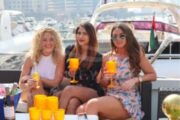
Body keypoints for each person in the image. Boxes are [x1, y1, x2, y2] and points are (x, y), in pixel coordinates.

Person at [77, 23, 157, 120]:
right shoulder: (107, 57)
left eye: (121, 36)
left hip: (127, 99)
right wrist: (105, 79)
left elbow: (153, 75)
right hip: (110, 95)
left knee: (92, 105)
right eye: (114, 37)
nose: (118, 39)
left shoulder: (136, 54)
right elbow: (103, 84)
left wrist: (135, 80)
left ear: (128, 37)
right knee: (80, 110)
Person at [58, 22, 104, 114]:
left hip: (91, 91)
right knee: (73, 102)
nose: (80, 36)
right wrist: (70, 75)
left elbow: (90, 80)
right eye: (78, 33)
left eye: (85, 33)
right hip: (74, 90)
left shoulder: (97, 57)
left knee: (68, 90)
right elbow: (62, 74)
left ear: (91, 36)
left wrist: (74, 76)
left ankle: (57, 116)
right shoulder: (70, 50)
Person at [19, 27, 64, 107]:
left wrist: (39, 79)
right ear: (39, 42)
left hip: (49, 92)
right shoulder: (30, 58)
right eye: (44, 40)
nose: (48, 43)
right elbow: (21, 84)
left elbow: (56, 83)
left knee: (33, 93)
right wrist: (28, 84)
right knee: (33, 89)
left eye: (51, 39)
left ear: (56, 41)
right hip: (28, 90)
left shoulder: (60, 58)